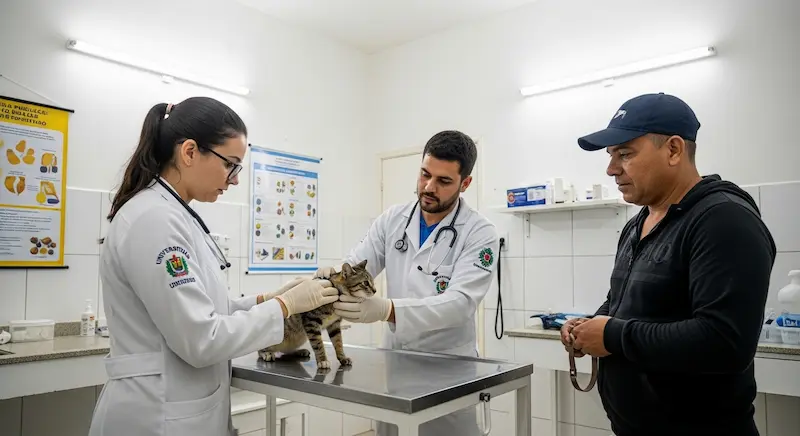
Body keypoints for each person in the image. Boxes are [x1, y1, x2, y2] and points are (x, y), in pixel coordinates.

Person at [88, 97, 339, 436]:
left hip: (180, 407)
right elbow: (201, 339)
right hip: (156, 416)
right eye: (230, 164)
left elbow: (208, 310)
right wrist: (285, 307)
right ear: (189, 152)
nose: (234, 179)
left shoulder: (175, 216)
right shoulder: (154, 220)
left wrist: (271, 298)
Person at [562, 93, 776, 436]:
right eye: (611, 155)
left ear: (674, 150)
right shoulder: (639, 223)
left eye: (625, 154)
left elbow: (724, 342)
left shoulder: (724, 220)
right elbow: (626, 304)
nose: (611, 168)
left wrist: (612, 335)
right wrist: (588, 326)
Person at [315, 130, 500, 436]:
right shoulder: (393, 220)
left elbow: (461, 304)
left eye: (443, 181)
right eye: (425, 174)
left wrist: (388, 310)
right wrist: (329, 278)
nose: (429, 187)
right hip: (395, 364)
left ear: (464, 183)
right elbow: (358, 266)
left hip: (447, 368)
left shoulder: (480, 233)